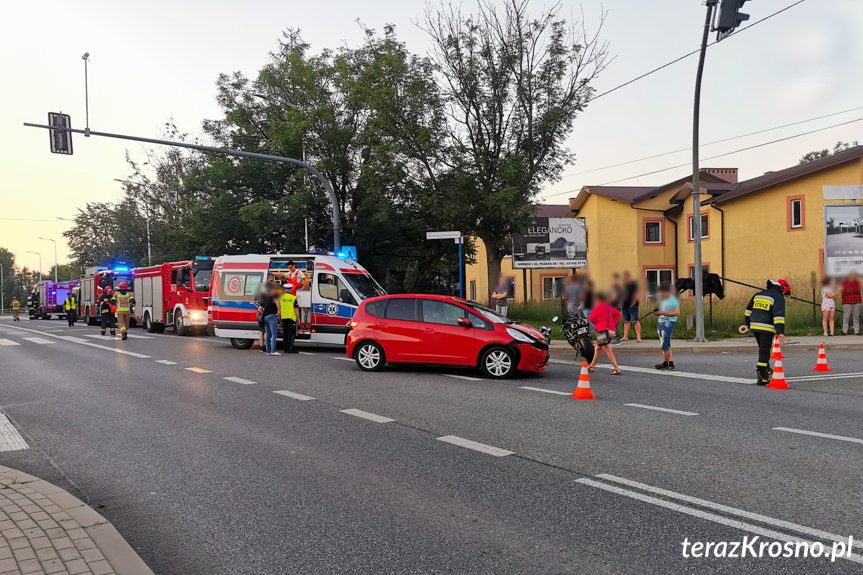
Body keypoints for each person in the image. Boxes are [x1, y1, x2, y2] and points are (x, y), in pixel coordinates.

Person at [744, 279, 790, 385]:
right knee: (764, 350)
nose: (785, 295)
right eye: (785, 292)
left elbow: (748, 310)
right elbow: (778, 316)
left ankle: (767, 369)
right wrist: (780, 332)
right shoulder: (778, 297)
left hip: (754, 326)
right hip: (766, 327)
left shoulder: (758, 294)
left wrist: (748, 325)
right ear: (781, 289)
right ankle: (762, 375)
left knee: (763, 349)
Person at [588, 292, 622, 375]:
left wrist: (597, 323)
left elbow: (591, 318)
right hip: (611, 330)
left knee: (608, 350)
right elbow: (618, 313)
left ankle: (616, 368)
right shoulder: (609, 306)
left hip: (602, 331)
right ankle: (591, 366)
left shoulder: (597, 307)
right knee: (598, 349)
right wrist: (613, 323)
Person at [653, 283, 680, 371]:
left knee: (665, 344)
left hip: (668, 323)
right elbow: (664, 311)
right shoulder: (664, 300)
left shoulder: (673, 300)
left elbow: (677, 313)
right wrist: (657, 313)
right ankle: (669, 363)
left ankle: (668, 363)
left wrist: (661, 313)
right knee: (665, 343)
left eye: (660, 292)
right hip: (661, 322)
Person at [259, 283, 280, 356]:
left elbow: (260, 309)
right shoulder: (274, 295)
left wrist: (262, 312)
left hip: (265, 317)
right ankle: (273, 350)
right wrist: (279, 312)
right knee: (274, 334)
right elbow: (277, 302)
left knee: (268, 334)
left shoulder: (264, 296)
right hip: (272, 316)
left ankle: (268, 351)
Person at [620, 271, 642, 342]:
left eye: (624, 277)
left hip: (632, 306)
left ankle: (638, 337)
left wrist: (633, 303)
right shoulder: (624, 285)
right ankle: (625, 337)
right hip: (625, 305)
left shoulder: (633, 284)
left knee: (635, 321)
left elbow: (637, 294)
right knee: (626, 321)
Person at [280, 282, 299, 353]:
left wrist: (279, 318)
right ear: (290, 290)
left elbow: (279, 308)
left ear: (285, 290)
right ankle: (290, 348)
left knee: (285, 333)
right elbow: (296, 309)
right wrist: (298, 318)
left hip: (284, 317)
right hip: (291, 318)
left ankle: (285, 348)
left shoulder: (281, 298)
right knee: (291, 334)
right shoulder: (293, 298)